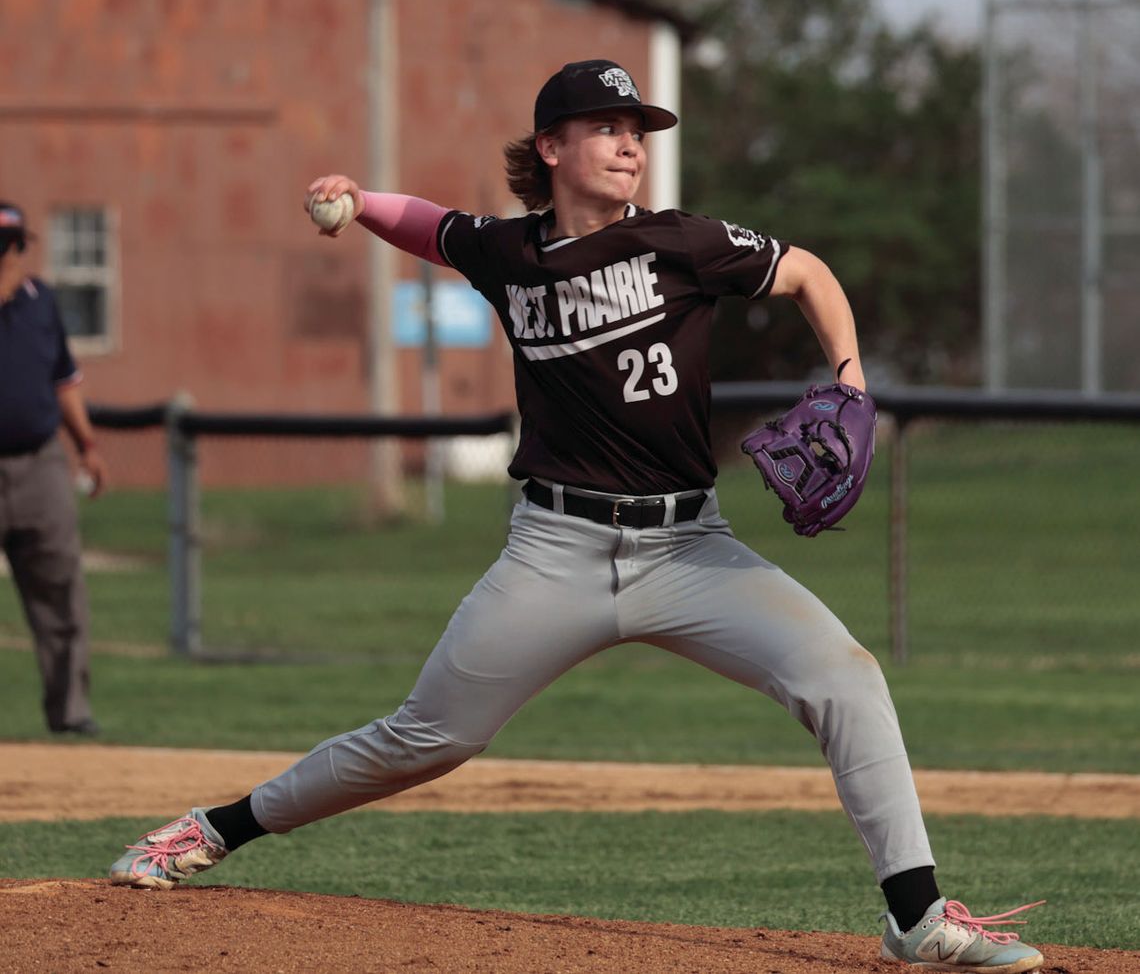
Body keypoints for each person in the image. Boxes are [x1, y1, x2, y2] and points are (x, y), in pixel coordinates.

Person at [109, 60, 1044, 972]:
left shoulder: (683, 243)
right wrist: (359, 201)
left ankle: (917, 917)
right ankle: (211, 829)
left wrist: (851, 376)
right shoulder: (510, 253)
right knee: (428, 739)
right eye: (608, 128)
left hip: (691, 549)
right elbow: (434, 227)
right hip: (556, 549)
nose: (630, 145)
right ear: (551, 147)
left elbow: (808, 274)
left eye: (637, 131)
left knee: (845, 677)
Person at [0, 201, 107, 736]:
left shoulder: (40, 303)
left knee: (61, 589)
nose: (5, 256)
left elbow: (64, 380)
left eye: (10, 245)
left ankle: (70, 714)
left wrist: (86, 443)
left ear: (22, 246)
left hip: (40, 463)